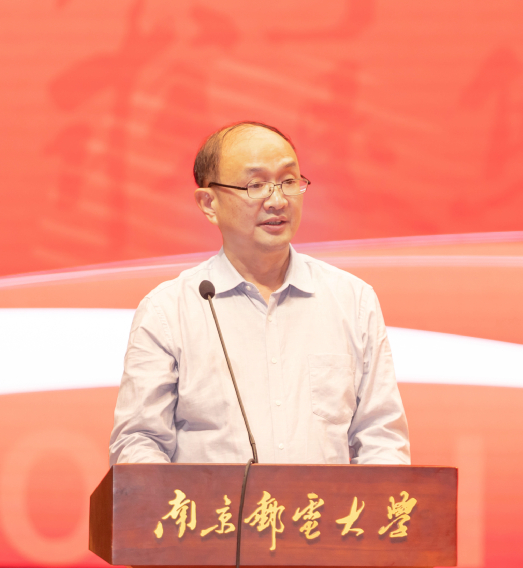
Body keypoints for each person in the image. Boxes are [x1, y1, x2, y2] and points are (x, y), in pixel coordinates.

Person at [110, 121, 410, 465]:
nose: (278, 200)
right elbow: (138, 443)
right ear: (209, 203)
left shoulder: (352, 301)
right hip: (214, 504)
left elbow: (382, 438)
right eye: (256, 185)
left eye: (289, 181)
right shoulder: (169, 311)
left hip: (321, 503)